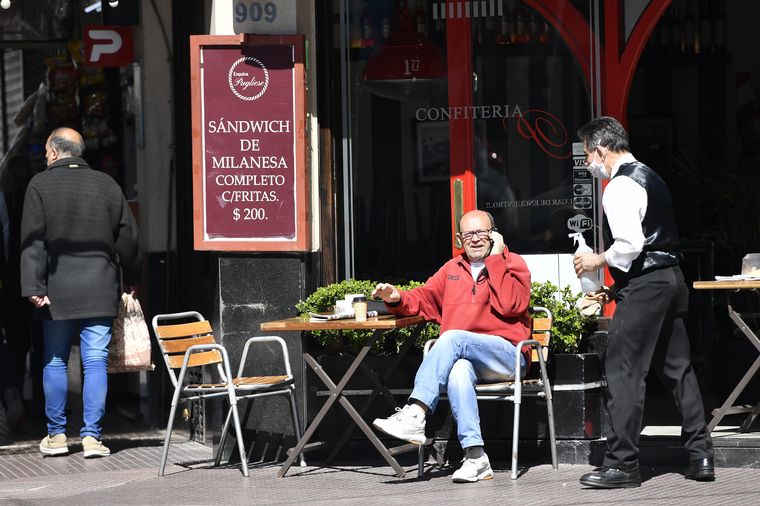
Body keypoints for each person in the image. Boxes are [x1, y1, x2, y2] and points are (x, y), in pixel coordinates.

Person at [573, 116, 714, 488]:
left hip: (647, 286)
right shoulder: (652, 176)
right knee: (677, 369)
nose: (588, 163)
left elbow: (630, 246)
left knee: (623, 371)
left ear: (601, 149)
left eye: (588, 154)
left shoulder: (619, 186)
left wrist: (596, 260)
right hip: (671, 279)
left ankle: (622, 464)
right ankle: (701, 456)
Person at [371, 209, 531, 483]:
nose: (476, 239)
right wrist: (396, 297)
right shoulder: (452, 269)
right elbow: (423, 298)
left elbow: (510, 305)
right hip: (468, 357)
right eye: (469, 234)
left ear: (494, 235)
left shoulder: (513, 264)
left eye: (482, 232)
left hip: (507, 354)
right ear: (460, 238)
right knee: (457, 371)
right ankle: (475, 456)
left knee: (453, 337)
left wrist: (495, 261)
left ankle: (417, 411)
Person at [20, 127, 140, 458]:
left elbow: (34, 239)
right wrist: (131, 276)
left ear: (56, 152)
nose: (45, 157)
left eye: (46, 151)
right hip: (100, 287)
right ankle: (92, 438)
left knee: (55, 359)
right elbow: (128, 238)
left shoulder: (39, 185)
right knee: (96, 360)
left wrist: (33, 285)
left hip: (55, 290)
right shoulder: (107, 184)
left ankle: (57, 437)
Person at [0, 155, 39, 430]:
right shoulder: (35, 197)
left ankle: (13, 393)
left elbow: (4, 239)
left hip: (10, 280)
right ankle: (36, 399)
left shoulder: (5, 197)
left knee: (12, 340)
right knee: (41, 342)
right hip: (35, 276)